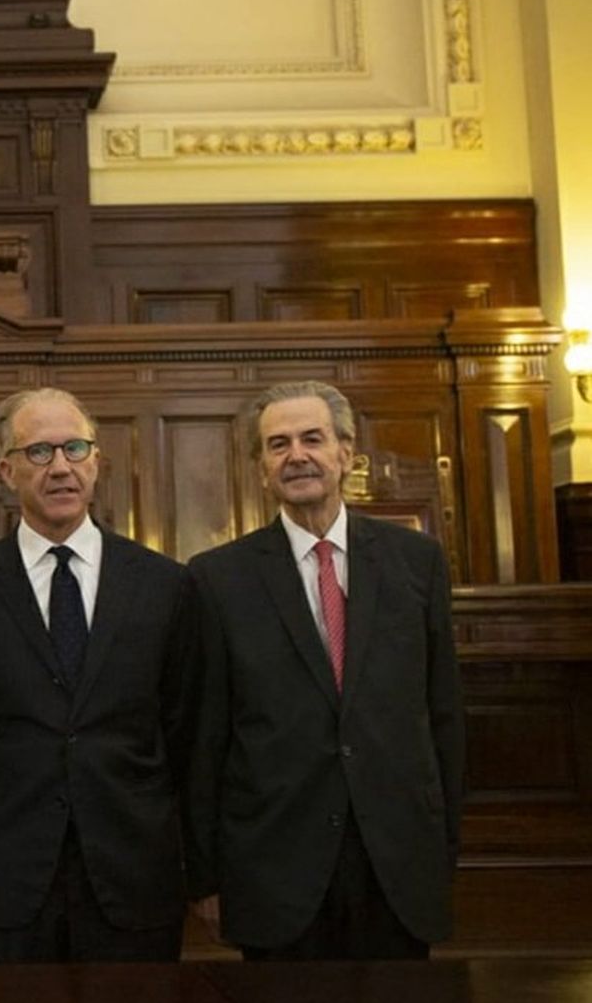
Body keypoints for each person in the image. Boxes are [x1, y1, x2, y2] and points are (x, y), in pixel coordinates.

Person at [185, 380, 464, 960]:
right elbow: (205, 736)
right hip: (274, 868)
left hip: (398, 861)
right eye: (278, 444)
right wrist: (205, 876)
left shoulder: (416, 562)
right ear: (262, 468)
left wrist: (444, 847)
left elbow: (442, 715)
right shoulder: (217, 579)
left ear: (345, 452)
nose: (297, 455)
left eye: (312, 438)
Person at [0, 387, 198, 963]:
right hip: (11, 881)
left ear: (97, 461)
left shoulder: (164, 585)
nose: (60, 468)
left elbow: (182, 724)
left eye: (75, 448)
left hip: (133, 874)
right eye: (40, 452)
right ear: (6, 470)